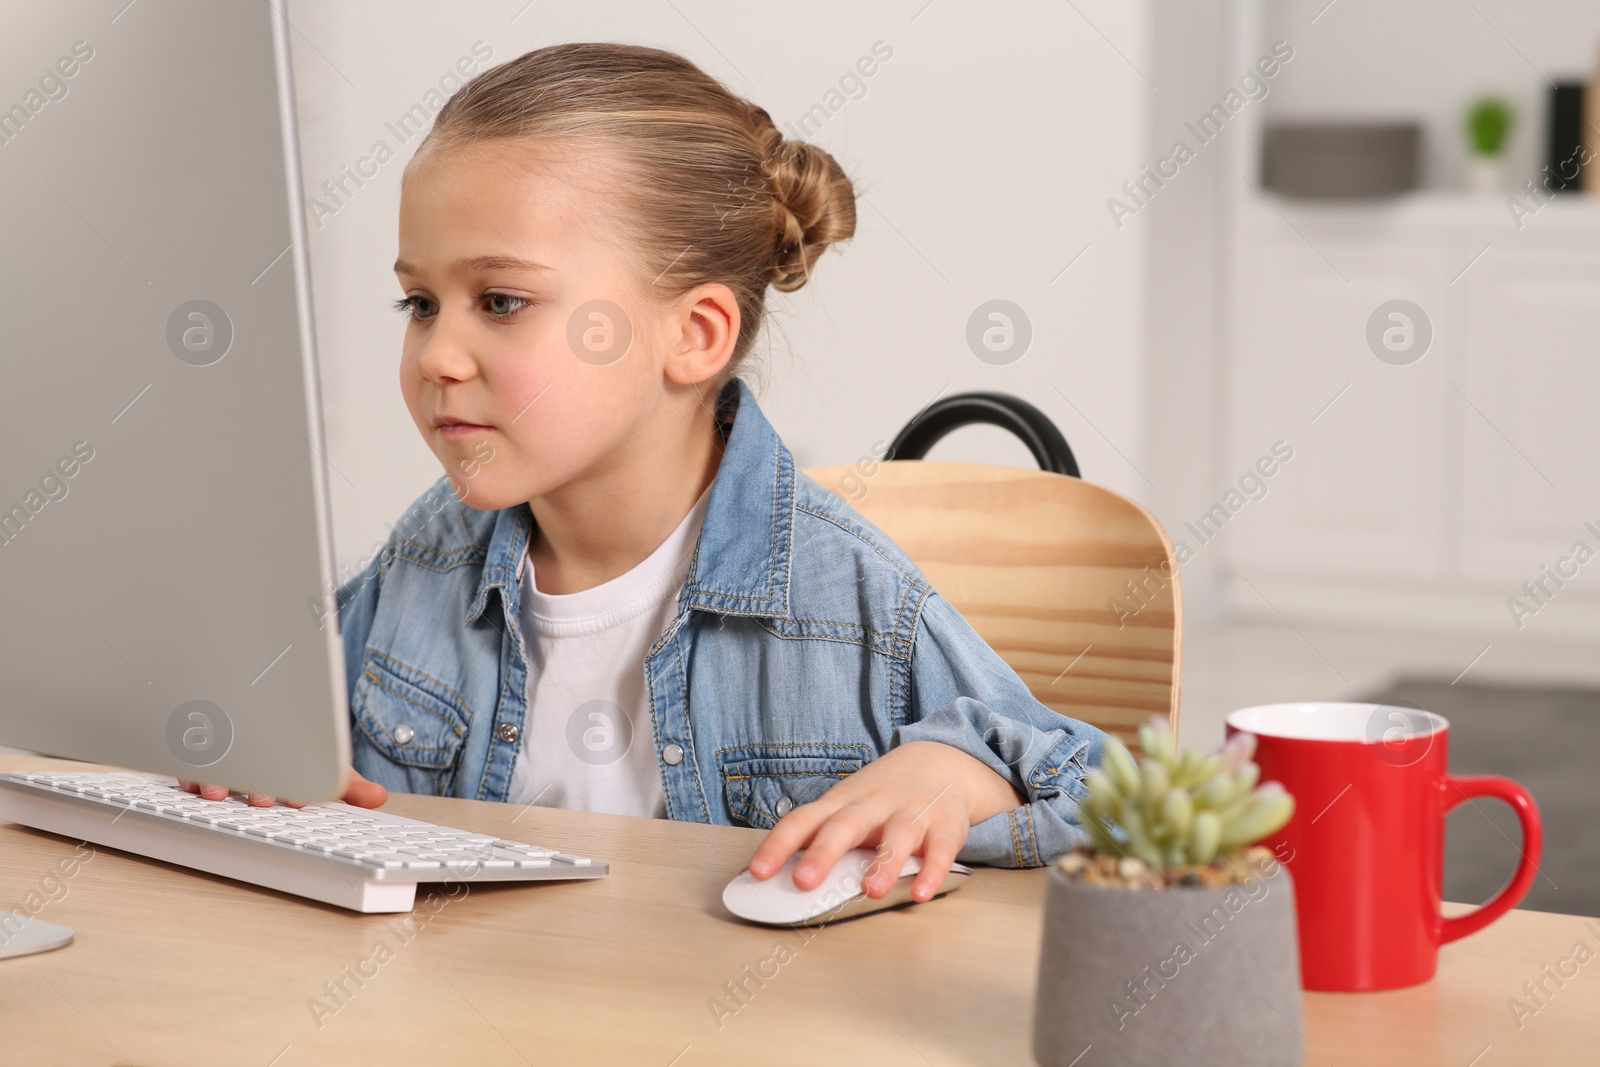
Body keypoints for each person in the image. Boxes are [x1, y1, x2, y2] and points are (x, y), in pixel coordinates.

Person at [197, 42, 1106, 905]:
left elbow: (1101, 788)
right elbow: (289, 711)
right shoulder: (429, 555)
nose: (437, 353)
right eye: (421, 302)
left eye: (501, 301)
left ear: (693, 335)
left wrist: (955, 772)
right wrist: (245, 739)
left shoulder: (846, 597)